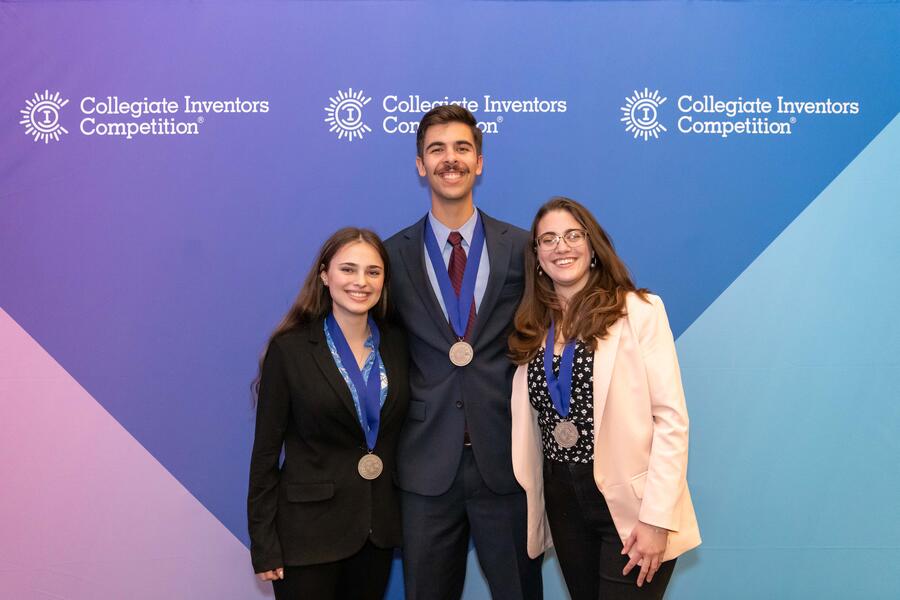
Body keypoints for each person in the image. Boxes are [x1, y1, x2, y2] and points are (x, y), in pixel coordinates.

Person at [384, 105, 543, 600]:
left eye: (461, 148)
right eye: (436, 149)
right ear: (419, 164)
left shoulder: (523, 247)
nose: (449, 159)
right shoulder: (390, 257)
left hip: (506, 462)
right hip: (425, 465)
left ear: (479, 162)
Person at [509, 197, 701, 600]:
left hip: (633, 507)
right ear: (537, 256)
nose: (561, 247)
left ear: (593, 247)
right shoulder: (532, 327)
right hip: (563, 504)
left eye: (572, 235)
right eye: (548, 239)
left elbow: (670, 420)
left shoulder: (639, 312)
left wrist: (656, 518)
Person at [247, 227, 410, 600]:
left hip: (376, 531)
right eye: (348, 269)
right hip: (306, 535)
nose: (360, 282)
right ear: (324, 275)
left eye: (373, 272)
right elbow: (265, 456)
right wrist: (264, 542)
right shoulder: (289, 351)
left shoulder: (399, 344)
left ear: (384, 280)